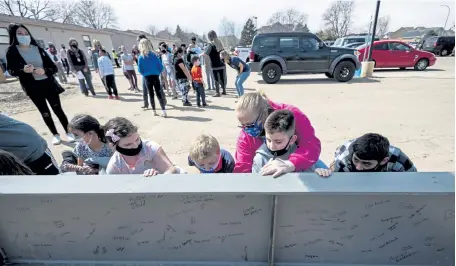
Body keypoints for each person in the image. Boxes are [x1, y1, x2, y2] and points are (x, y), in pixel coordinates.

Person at [6, 24, 75, 145]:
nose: (24, 36)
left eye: (26, 33)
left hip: (48, 84)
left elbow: (53, 67)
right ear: (14, 35)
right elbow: (11, 70)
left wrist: (45, 71)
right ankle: (55, 134)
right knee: (45, 112)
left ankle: (69, 132)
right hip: (33, 87)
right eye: (20, 34)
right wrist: (23, 70)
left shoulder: (38, 48)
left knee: (58, 109)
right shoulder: (12, 51)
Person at [234, 91, 321, 177]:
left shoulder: (291, 116)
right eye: (243, 125)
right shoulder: (245, 136)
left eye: (251, 125)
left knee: (326, 178)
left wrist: (291, 163)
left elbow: (311, 146)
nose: (247, 129)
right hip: (266, 166)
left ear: (265, 113)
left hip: (300, 159)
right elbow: (242, 171)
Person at [315, 133, 417, 177]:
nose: (358, 167)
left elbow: (412, 183)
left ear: (384, 160)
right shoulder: (344, 161)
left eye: (366, 163)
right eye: (356, 160)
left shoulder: (398, 161)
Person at [104, 117, 179, 176]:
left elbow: (170, 169)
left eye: (137, 139)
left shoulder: (150, 148)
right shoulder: (115, 166)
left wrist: (157, 177)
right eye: (128, 144)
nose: (135, 145)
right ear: (113, 145)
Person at [137, 38, 167, 117]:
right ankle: (164, 111)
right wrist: (157, 72)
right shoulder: (154, 55)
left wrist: (145, 73)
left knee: (151, 94)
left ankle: (154, 111)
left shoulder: (140, 57)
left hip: (147, 77)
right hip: (155, 76)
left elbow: (140, 69)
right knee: (159, 93)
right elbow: (160, 66)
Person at [201, 30, 226, 97]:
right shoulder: (220, 42)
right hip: (222, 63)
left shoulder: (211, 44)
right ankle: (224, 90)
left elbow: (206, 53)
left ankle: (217, 93)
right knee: (222, 78)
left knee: (216, 79)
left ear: (210, 37)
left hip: (214, 64)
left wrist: (200, 55)